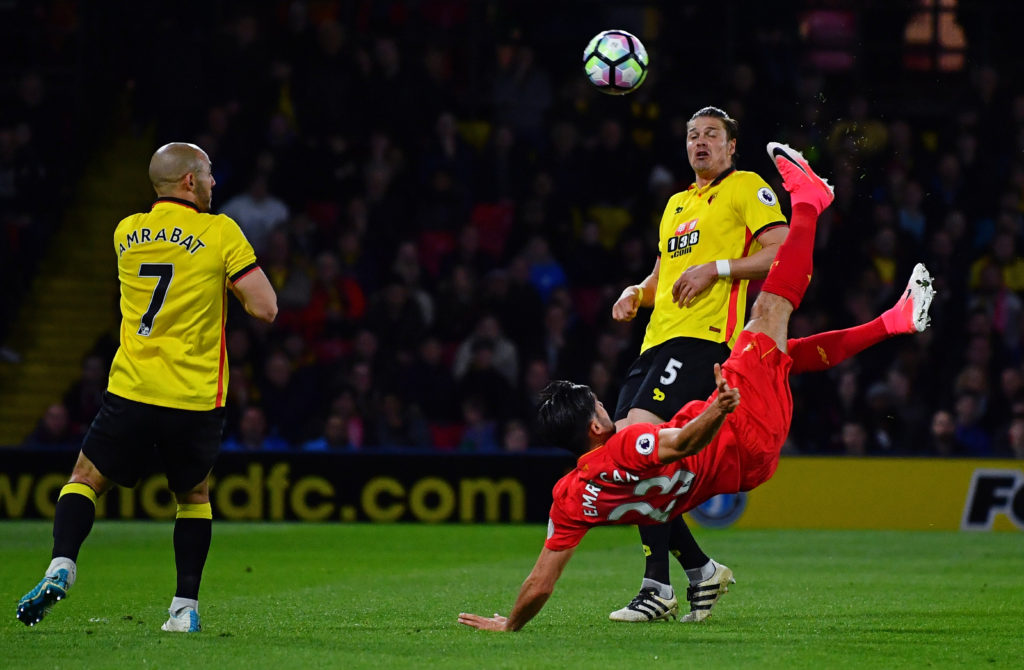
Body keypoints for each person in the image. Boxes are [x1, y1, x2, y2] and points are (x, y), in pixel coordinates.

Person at [457, 142, 935, 632]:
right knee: (768, 314)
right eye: (601, 403)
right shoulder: (628, 444)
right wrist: (720, 407)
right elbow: (680, 440)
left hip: (742, 467)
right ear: (598, 423)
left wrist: (511, 624)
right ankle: (811, 199)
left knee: (780, 354)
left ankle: (894, 321)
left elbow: (541, 582)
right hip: (740, 426)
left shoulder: (571, 497)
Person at [16, 142, 278, 632]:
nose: (215, 184)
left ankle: (61, 566)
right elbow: (265, 308)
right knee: (194, 496)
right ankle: (183, 609)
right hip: (196, 396)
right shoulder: (221, 232)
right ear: (189, 182)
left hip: (133, 389)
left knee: (86, 478)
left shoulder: (126, 232)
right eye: (209, 175)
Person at [607, 106, 788, 623]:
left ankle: (655, 588)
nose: (700, 142)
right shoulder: (676, 204)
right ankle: (701, 571)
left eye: (712, 135)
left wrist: (720, 268)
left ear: (732, 147)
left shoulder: (745, 187)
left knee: (640, 447)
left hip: (704, 341)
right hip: (654, 345)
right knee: (628, 456)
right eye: (692, 135)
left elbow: (781, 251)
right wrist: (634, 293)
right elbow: (664, 274)